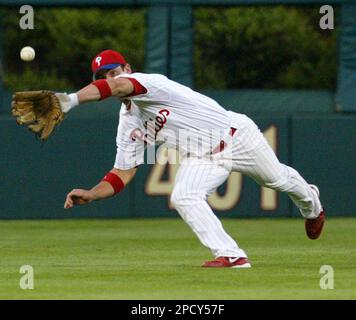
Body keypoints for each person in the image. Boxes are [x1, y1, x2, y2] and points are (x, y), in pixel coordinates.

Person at [62, 49, 325, 268]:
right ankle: (232, 255)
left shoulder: (148, 83)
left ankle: (311, 204)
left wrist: (70, 100)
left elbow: (116, 86)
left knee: (276, 180)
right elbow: (122, 172)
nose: (111, 78)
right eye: (103, 76)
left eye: (114, 71)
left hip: (236, 136)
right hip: (203, 157)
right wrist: (93, 194)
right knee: (183, 196)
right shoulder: (128, 123)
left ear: (128, 68)